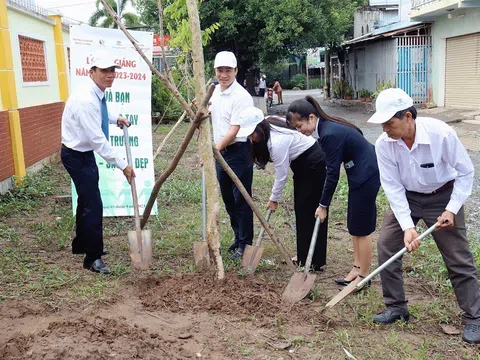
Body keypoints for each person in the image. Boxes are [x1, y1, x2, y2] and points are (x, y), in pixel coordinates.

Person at [368, 88, 480, 344]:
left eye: (389, 123)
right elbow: (392, 186)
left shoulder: (441, 134)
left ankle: (475, 317)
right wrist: (408, 226)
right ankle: (396, 307)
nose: (385, 129)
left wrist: (451, 208)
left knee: (458, 257)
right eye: (382, 124)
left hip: (443, 196)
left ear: (408, 116)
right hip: (407, 196)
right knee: (387, 245)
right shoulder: (384, 144)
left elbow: (466, 172)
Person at [287, 96, 380, 290]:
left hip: (367, 174)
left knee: (361, 228)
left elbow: (332, 174)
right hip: (358, 173)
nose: (299, 131)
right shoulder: (326, 128)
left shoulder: (328, 133)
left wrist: (323, 205)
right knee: (354, 225)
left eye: (299, 125)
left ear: (311, 118)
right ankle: (356, 268)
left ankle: (364, 275)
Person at [61, 50, 135, 275]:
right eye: (104, 71)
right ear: (91, 72)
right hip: (76, 155)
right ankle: (92, 258)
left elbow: (102, 112)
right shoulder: (85, 100)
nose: (110, 75)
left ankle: (82, 244)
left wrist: (116, 118)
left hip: (82, 154)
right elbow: (98, 140)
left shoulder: (97, 94)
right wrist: (123, 164)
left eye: (112, 70)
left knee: (86, 200)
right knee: (94, 204)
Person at [236, 107, 328, 270]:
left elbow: (281, 174)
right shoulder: (268, 123)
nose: (252, 138)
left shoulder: (277, 142)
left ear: (260, 128)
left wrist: (273, 199)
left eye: (252, 134)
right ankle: (303, 255)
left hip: (313, 163)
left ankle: (314, 261)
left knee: (309, 210)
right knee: (301, 210)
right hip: (302, 163)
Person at [210, 51, 255, 259]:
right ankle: (237, 238)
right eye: (220, 70)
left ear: (236, 71)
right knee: (228, 198)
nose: (224, 75)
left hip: (237, 152)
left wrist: (214, 150)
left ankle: (246, 243)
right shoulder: (213, 91)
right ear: (215, 71)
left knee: (241, 199)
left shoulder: (242, 97)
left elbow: (234, 130)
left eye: (228, 70)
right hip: (221, 152)